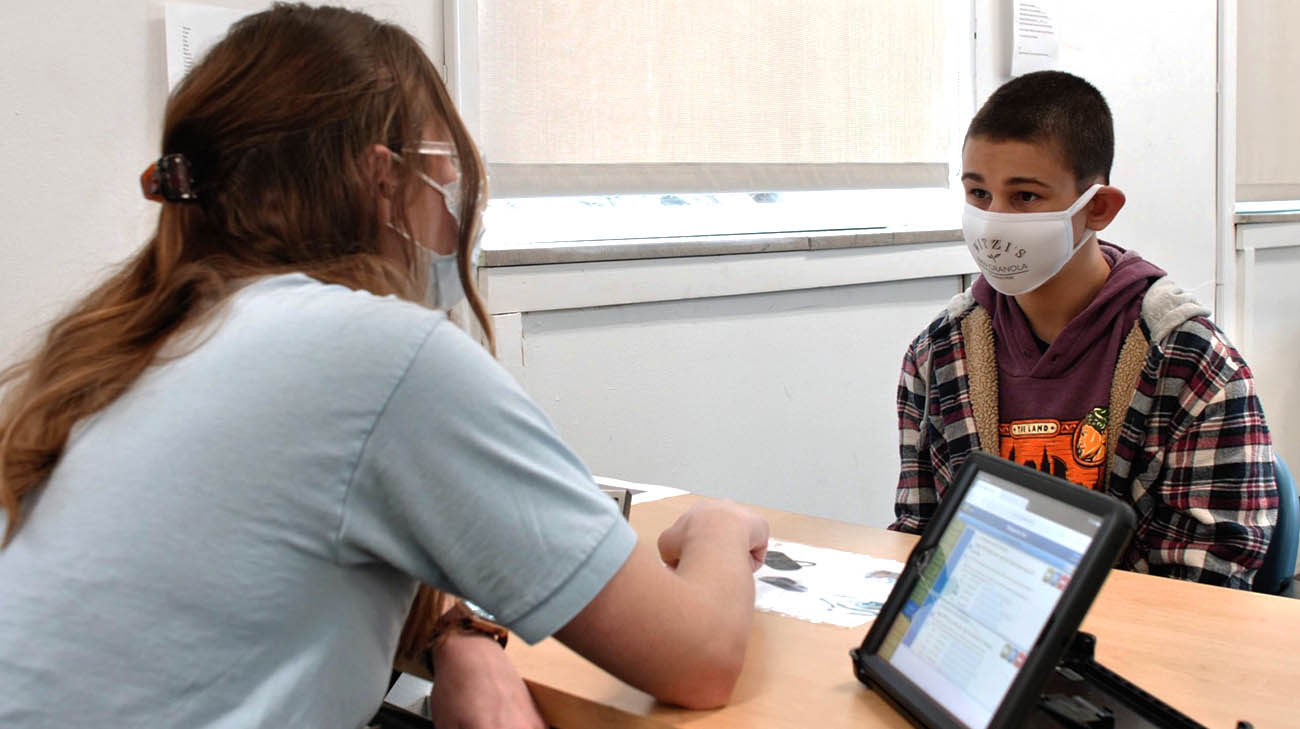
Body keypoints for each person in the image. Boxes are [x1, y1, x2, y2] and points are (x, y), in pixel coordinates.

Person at [0, 5, 768, 728]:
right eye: (440, 166)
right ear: (380, 179)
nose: (455, 203)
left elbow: (262, 583)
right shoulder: (372, 354)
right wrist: (721, 525)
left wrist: (459, 636)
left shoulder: (132, 342)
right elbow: (699, 656)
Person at [890, 70, 1277, 590]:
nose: (994, 220)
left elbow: (1205, 585)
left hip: (1128, 648)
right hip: (980, 640)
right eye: (978, 193)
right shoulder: (939, 354)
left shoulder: (1192, 363)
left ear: (1098, 208)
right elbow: (919, 536)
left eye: (1024, 197)